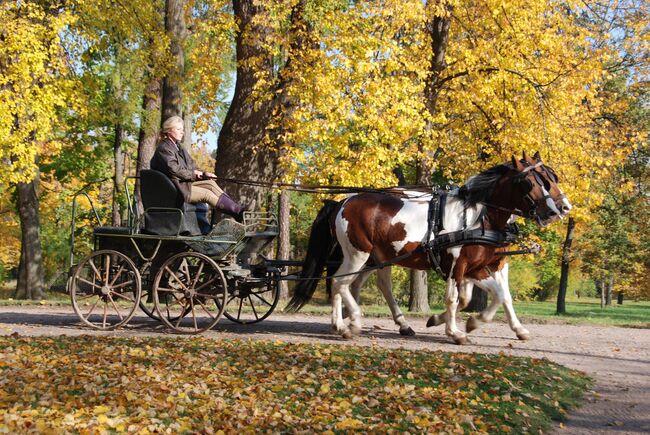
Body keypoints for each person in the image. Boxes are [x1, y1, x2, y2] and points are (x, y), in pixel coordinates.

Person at [150, 115, 248, 222]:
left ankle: (237, 210)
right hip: (173, 189)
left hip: (182, 184)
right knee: (206, 194)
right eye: (178, 129)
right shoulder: (164, 148)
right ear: (169, 130)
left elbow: (192, 166)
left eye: (182, 129)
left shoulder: (179, 148)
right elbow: (174, 170)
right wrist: (194, 174)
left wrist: (204, 173)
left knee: (210, 184)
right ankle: (236, 212)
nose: (182, 132)